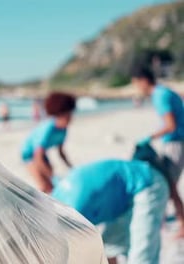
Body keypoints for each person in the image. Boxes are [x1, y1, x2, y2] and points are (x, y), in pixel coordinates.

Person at [52, 144, 171, 264]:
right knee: (109, 247)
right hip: (122, 198)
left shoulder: (73, 213)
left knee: (142, 256)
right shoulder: (55, 202)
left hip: (147, 183)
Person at [131, 66, 184, 237]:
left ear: (144, 80)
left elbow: (171, 125)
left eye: (136, 84)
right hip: (176, 142)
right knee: (169, 184)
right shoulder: (164, 91)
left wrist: (150, 137)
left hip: (175, 143)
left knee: (169, 185)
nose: (137, 88)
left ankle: (181, 223)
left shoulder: (159, 95)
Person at [21, 92, 76, 193]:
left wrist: (72, 169)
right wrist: (51, 176)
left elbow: (61, 152)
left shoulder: (63, 130)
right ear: (60, 114)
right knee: (43, 185)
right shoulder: (48, 129)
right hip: (29, 154)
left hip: (41, 154)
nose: (71, 118)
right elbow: (37, 157)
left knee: (51, 187)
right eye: (68, 115)